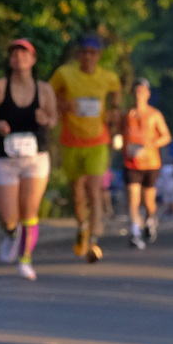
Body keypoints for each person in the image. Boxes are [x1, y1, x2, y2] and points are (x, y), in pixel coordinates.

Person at [0, 38, 57, 280]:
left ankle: (25, 260)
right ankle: (12, 234)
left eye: (24, 53)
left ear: (33, 59)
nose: (19, 57)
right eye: (14, 54)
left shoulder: (44, 90)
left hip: (35, 157)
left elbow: (54, 119)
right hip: (5, 158)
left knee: (29, 210)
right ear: (9, 60)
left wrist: (46, 120)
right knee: (8, 216)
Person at [49, 34, 122, 263]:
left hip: (98, 141)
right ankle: (82, 227)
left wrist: (115, 109)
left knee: (94, 188)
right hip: (71, 140)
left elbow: (116, 91)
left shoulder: (108, 77)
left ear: (99, 55)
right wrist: (64, 105)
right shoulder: (64, 74)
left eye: (93, 52)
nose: (88, 57)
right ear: (78, 54)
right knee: (77, 192)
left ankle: (94, 238)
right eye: (84, 52)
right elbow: (48, 96)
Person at [120, 79, 171, 248]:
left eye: (142, 91)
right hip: (131, 163)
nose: (138, 95)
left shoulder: (154, 115)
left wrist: (151, 144)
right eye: (136, 91)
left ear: (147, 94)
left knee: (148, 201)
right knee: (133, 199)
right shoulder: (126, 115)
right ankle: (135, 233)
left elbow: (166, 136)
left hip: (150, 163)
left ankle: (150, 220)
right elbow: (119, 133)